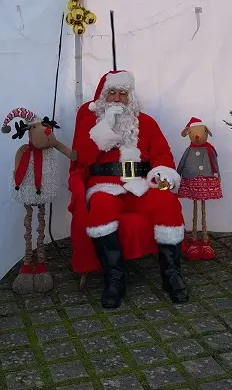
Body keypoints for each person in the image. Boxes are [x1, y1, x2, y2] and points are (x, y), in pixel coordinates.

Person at [70, 70, 188, 308]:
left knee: (167, 202)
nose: (116, 98)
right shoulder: (90, 123)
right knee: (102, 208)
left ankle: (171, 275)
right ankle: (114, 279)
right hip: (105, 185)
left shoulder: (146, 122)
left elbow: (163, 154)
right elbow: (82, 158)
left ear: (129, 97)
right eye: (111, 93)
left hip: (142, 184)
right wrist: (106, 128)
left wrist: (163, 175)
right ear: (104, 97)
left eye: (122, 94)